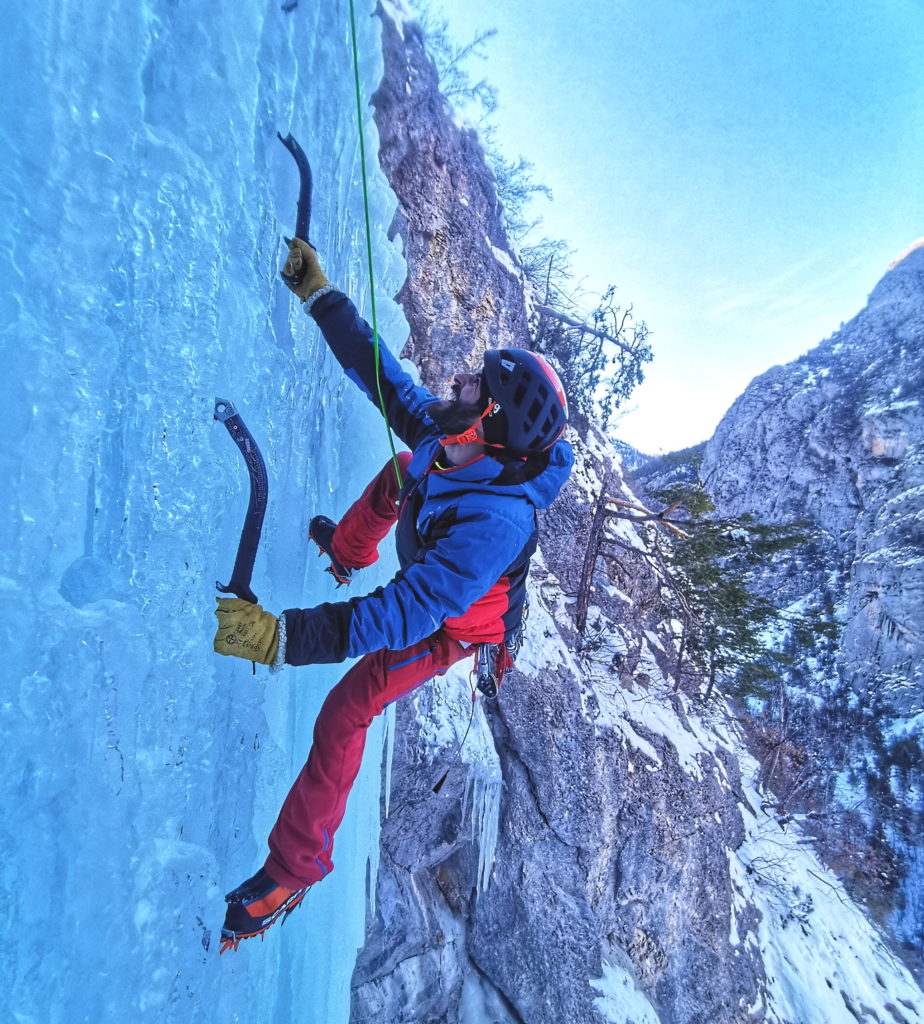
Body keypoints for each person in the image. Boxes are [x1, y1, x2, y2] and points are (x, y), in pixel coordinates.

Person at [213, 239, 573, 951]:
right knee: (402, 468)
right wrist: (321, 296)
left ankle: (292, 874)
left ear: (491, 426)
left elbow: (405, 614)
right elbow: (383, 378)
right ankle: (345, 556)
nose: (462, 380)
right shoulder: (454, 438)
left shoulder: (496, 527)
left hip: (452, 628)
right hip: (433, 563)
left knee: (350, 706)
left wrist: (281, 638)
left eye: (477, 387)